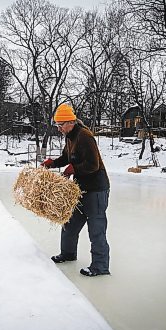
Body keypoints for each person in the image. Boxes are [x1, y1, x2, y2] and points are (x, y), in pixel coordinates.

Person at [42, 103, 111, 277]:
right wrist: (53, 163)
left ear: (70, 122)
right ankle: (68, 253)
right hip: (80, 189)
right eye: (57, 125)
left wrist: (74, 169)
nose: (58, 128)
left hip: (96, 190)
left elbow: (93, 165)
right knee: (69, 224)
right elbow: (67, 157)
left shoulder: (85, 136)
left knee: (96, 230)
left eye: (60, 125)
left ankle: (100, 266)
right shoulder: (70, 137)